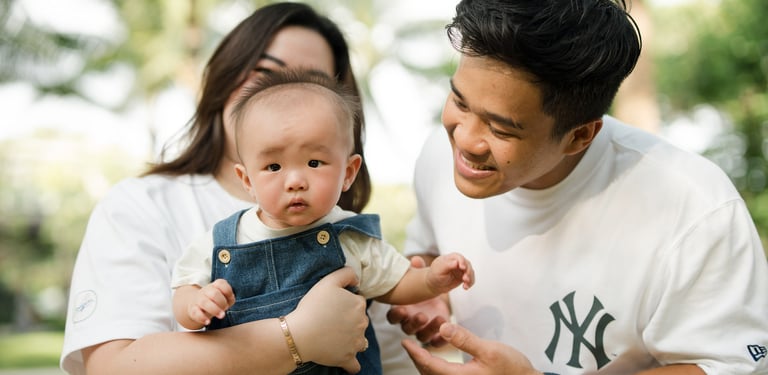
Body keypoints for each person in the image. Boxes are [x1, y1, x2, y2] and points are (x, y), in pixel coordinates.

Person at [380, 0, 768, 374]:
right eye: (460, 102)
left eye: (500, 129)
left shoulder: (693, 208)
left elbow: (731, 363)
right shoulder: (438, 157)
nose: (465, 140)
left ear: (579, 136)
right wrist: (433, 293)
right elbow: (430, 250)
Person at [61, 3, 385, 374]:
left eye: (309, 83)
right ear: (223, 78)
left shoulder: (349, 230)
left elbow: (388, 354)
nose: (281, 95)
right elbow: (111, 367)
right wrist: (294, 337)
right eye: (264, 71)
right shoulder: (141, 205)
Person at [170, 69, 475, 374]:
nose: (295, 180)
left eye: (314, 163)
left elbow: (395, 283)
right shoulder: (226, 241)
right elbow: (184, 290)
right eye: (273, 166)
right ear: (247, 179)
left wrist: (432, 280)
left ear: (348, 173)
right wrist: (196, 304)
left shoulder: (349, 237)